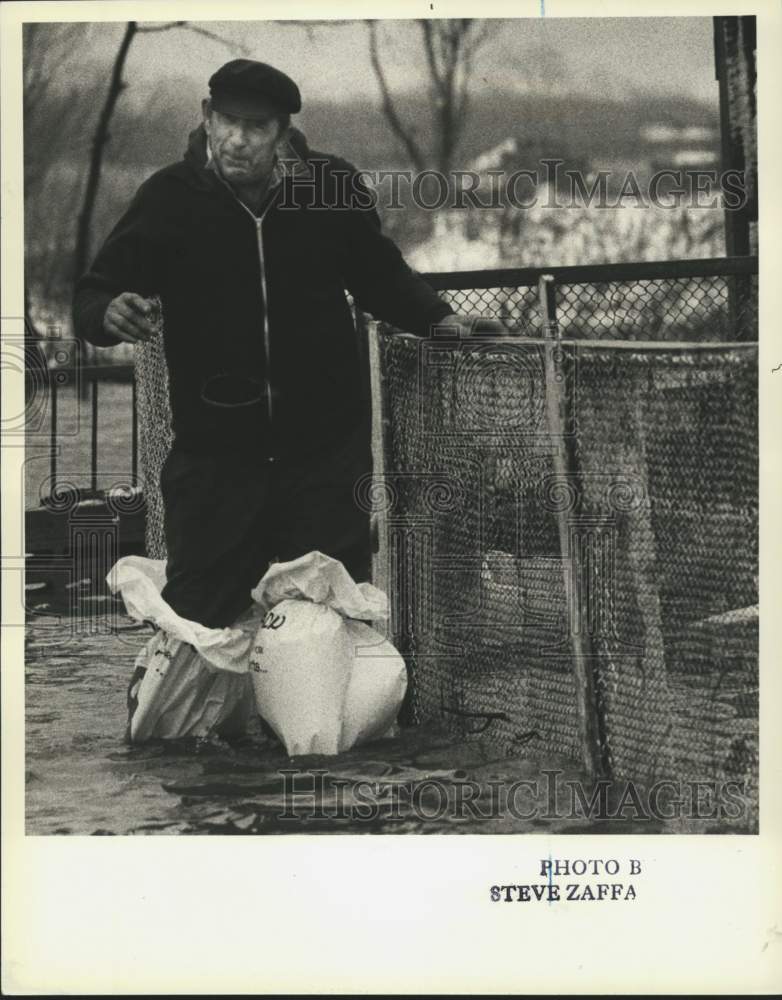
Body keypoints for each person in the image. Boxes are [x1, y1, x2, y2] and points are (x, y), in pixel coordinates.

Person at [73, 58, 501, 632]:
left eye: (255, 127)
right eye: (227, 121)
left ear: (281, 132)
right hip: (215, 459)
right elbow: (94, 293)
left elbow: (380, 275)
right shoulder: (169, 198)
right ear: (207, 115)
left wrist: (440, 320)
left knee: (327, 625)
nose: (237, 139)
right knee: (201, 624)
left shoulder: (329, 188)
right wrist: (107, 312)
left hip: (323, 459)